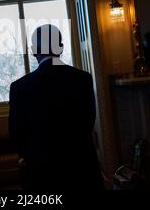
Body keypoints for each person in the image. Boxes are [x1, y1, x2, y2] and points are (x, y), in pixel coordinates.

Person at [8, 24, 103, 190]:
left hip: (42, 173)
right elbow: (88, 122)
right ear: (61, 48)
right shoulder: (83, 79)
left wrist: (30, 156)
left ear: (34, 51)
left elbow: (16, 132)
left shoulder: (19, 87)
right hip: (82, 169)